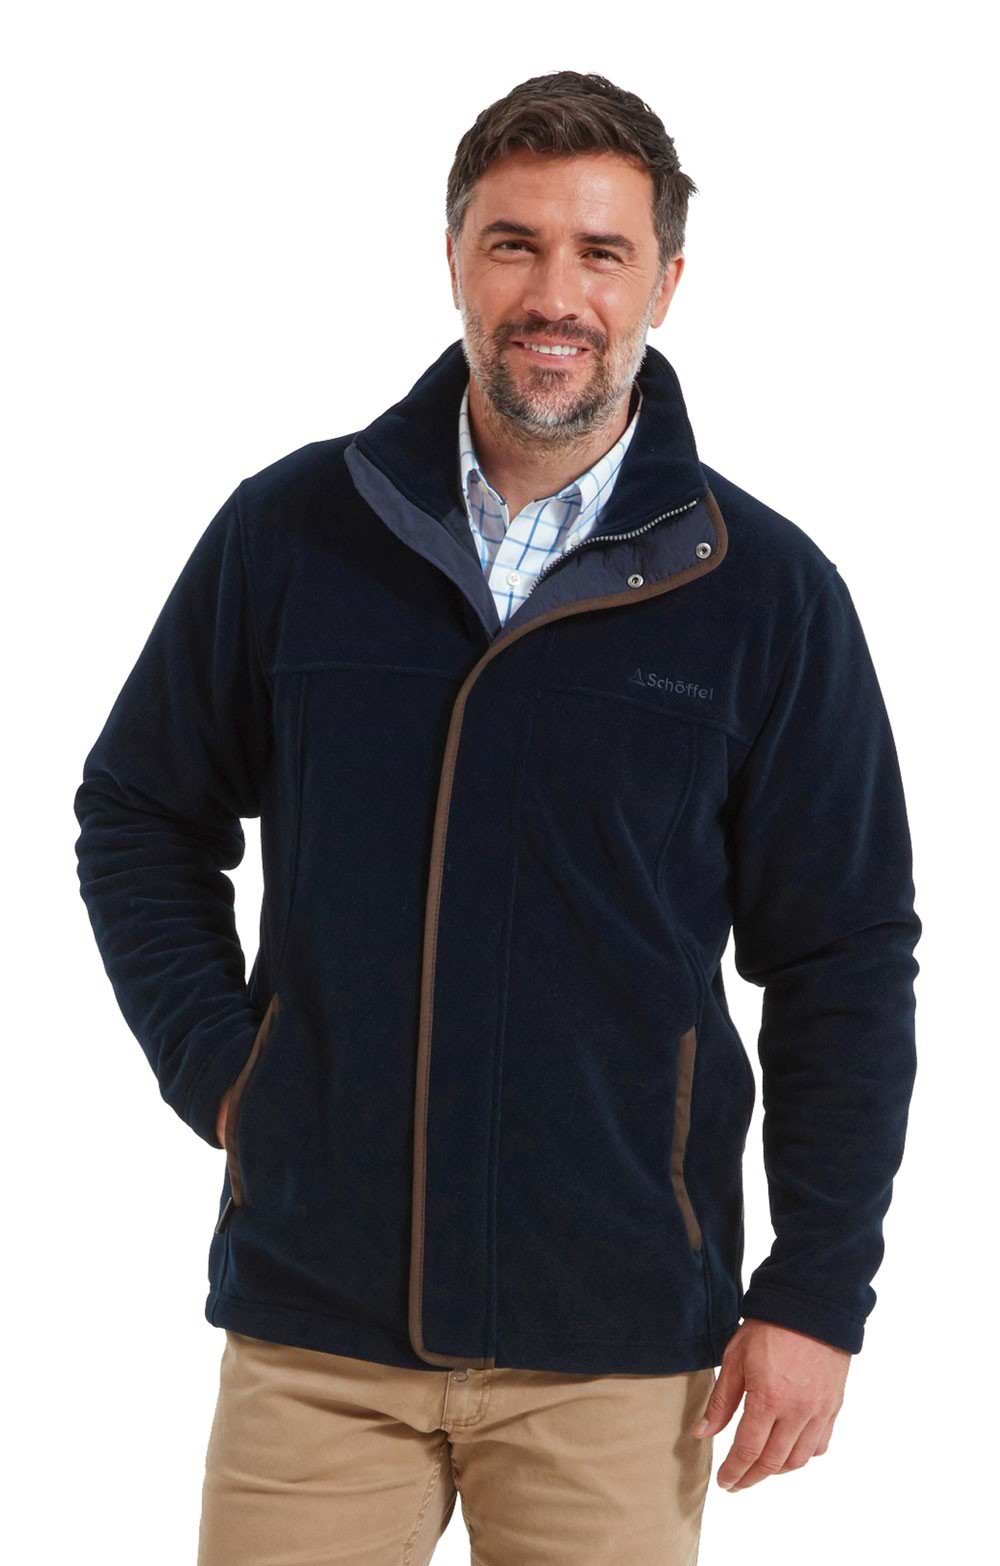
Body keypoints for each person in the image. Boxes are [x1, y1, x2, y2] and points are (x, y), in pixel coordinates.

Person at [72, 69, 922, 1565]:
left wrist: (816, 1290)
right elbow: (139, 810)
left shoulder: (766, 592)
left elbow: (842, 955)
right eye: (514, 244)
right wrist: (228, 1072)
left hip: (617, 1338)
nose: (555, 295)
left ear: (666, 282)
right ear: (455, 259)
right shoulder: (294, 533)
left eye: (602, 253)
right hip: (316, 1328)